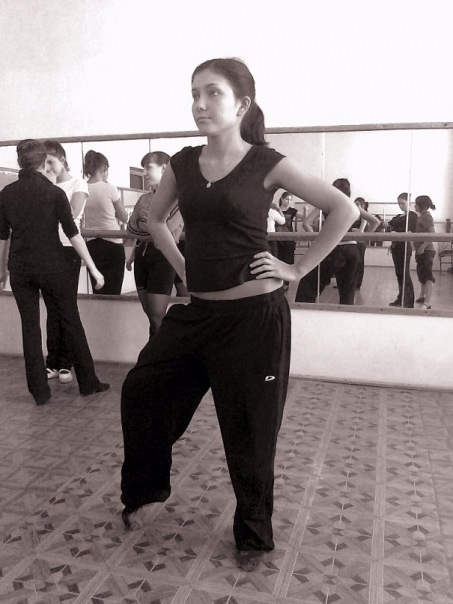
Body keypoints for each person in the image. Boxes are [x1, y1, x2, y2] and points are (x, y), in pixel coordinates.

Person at [120, 57, 358, 570]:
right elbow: (155, 221)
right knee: (141, 391)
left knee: (250, 429)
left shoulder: (266, 162)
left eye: (213, 93)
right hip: (198, 314)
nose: (200, 104)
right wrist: (185, 266)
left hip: (254, 320)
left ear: (242, 104)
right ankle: (144, 490)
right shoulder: (183, 163)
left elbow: (345, 209)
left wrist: (297, 268)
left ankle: (252, 533)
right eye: (194, 93)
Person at [0, 140, 110, 405]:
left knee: (30, 328)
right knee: (70, 321)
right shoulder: (54, 193)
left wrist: (1, 270)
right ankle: (88, 382)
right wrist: (94, 268)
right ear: (42, 163)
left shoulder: (6, 194)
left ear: (20, 162)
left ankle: (39, 392)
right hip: (52, 266)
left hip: (21, 269)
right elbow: (73, 235)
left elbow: (2, 237)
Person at [44, 140, 89, 384]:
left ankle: (65, 362)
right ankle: (52, 361)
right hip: (48, 250)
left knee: (66, 307)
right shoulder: (45, 185)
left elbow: (71, 214)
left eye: (51, 162)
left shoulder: (77, 184)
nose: (48, 167)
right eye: (44, 163)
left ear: (62, 159)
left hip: (69, 249)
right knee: (51, 308)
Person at [125, 151, 184, 338]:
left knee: (157, 316)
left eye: (148, 168)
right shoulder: (143, 199)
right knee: (151, 316)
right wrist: (153, 227)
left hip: (163, 257)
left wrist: (147, 224)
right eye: (143, 169)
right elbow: (131, 228)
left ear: (164, 168)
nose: (144, 173)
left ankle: (162, 352)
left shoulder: (178, 198)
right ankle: (156, 352)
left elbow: (166, 228)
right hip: (142, 256)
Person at [295, 179, 379, 304]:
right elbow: (375, 222)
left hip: (331, 249)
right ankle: (345, 315)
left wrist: (318, 240)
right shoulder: (352, 206)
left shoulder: (325, 204)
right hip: (351, 250)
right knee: (347, 295)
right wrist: (362, 239)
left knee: (307, 290)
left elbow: (306, 223)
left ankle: (303, 314)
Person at [83, 150, 129, 295]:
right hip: (112, 242)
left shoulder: (82, 188)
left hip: (91, 243)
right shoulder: (109, 188)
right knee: (114, 291)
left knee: (98, 290)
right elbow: (124, 217)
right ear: (104, 168)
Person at [387, 192, 418, 308]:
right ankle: (401, 298)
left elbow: (411, 232)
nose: (400, 206)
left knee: (404, 274)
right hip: (396, 246)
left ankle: (408, 301)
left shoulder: (412, 216)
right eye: (399, 203)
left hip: (404, 246)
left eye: (403, 203)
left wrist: (397, 234)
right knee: (399, 274)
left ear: (409, 202)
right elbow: (389, 226)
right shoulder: (398, 217)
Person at [413, 195, 436, 309]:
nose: (414, 206)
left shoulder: (427, 217)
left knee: (427, 276)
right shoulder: (421, 217)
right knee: (421, 274)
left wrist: (423, 246)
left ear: (422, 205)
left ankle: (428, 302)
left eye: (416, 204)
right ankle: (422, 296)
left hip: (427, 251)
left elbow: (432, 234)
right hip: (421, 251)